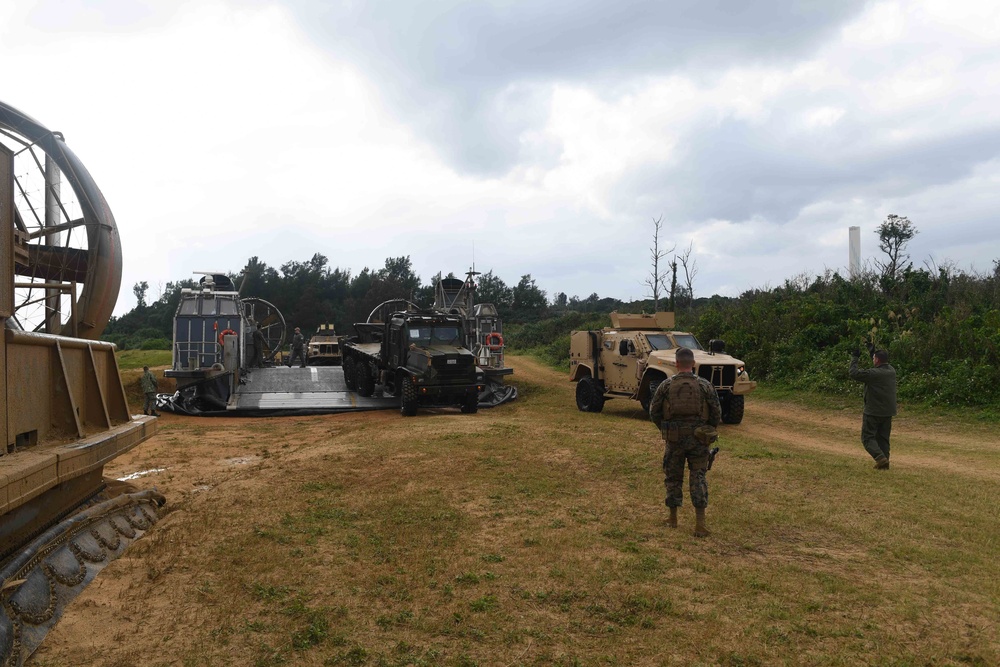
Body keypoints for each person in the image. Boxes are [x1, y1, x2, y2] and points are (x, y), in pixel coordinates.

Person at [649, 347, 722, 537]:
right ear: (694, 364)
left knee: (673, 477)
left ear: (676, 363)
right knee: (698, 476)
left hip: (674, 439)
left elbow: (654, 412)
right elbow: (716, 412)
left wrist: (666, 429)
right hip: (699, 439)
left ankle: (672, 518)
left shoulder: (665, 385)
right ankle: (700, 524)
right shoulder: (705, 385)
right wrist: (707, 430)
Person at [850, 346, 897, 469]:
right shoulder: (891, 371)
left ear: (876, 360)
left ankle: (880, 458)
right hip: (888, 412)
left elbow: (854, 373)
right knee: (883, 439)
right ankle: (884, 463)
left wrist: (855, 357)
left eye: (874, 358)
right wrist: (872, 352)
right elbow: (879, 362)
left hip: (873, 411)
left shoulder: (873, 374)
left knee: (867, 437)